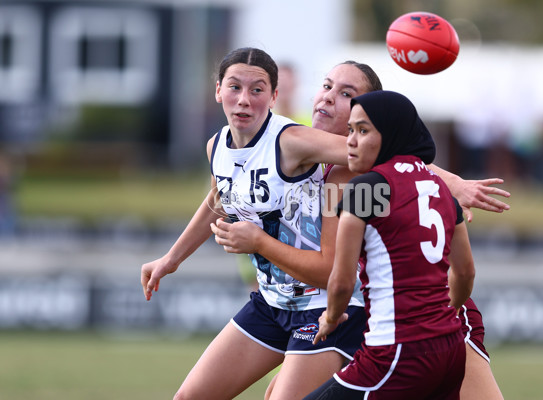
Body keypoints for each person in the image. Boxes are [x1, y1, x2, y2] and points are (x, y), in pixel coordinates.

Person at [212, 61, 505, 399]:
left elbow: (337, 272)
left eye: (347, 94)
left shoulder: (361, 182)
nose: (328, 98)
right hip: (398, 321)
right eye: (326, 86)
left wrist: (452, 186)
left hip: (426, 319)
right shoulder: (325, 161)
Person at [141, 47, 367, 400]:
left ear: (275, 96)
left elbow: (381, 154)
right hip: (274, 301)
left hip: (329, 308)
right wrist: (171, 259)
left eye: (257, 90)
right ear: (217, 91)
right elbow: (219, 198)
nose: (244, 100)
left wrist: (450, 184)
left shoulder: (300, 145)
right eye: (234, 87)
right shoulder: (217, 146)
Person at [302, 90, 475, 399]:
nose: (351, 141)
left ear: (391, 132)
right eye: (351, 130)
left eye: (364, 130)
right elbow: (465, 273)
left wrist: (330, 318)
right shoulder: (440, 187)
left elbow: (342, 282)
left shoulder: (370, 187)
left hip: (398, 351)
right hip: (450, 348)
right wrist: (446, 312)